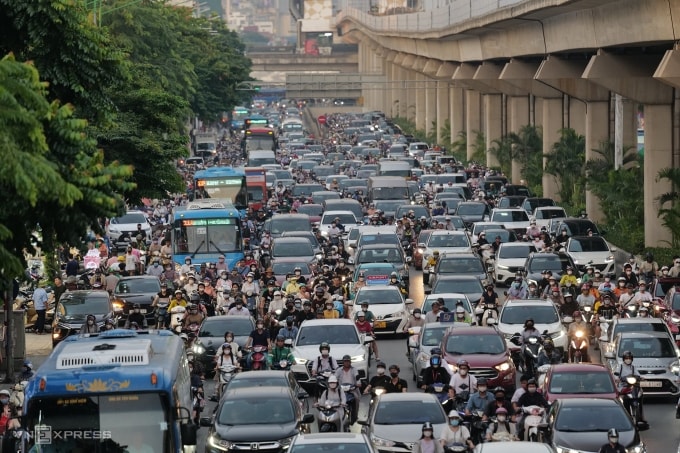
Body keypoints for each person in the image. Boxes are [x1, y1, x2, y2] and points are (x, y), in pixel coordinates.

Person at [615, 350, 647, 423]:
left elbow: (638, 374)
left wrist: (641, 377)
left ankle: (641, 416)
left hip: (632, 385)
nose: (628, 359)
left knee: (640, 394)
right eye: (626, 358)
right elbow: (616, 374)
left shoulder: (633, 367)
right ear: (624, 359)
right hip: (623, 386)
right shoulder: (621, 366)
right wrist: (617, 379)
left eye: (629, 358)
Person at [335, 355, 361, 424]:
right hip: (341, 390)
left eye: (348, 361)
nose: (347, 363)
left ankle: (355, 416)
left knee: (356, 399)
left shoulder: (354, 369)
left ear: (350, 362)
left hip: (352, 390)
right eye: (345, 361)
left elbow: (357, 377)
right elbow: (335, 378)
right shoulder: (339, 370)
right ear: (343, 362)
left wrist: (358, 383)